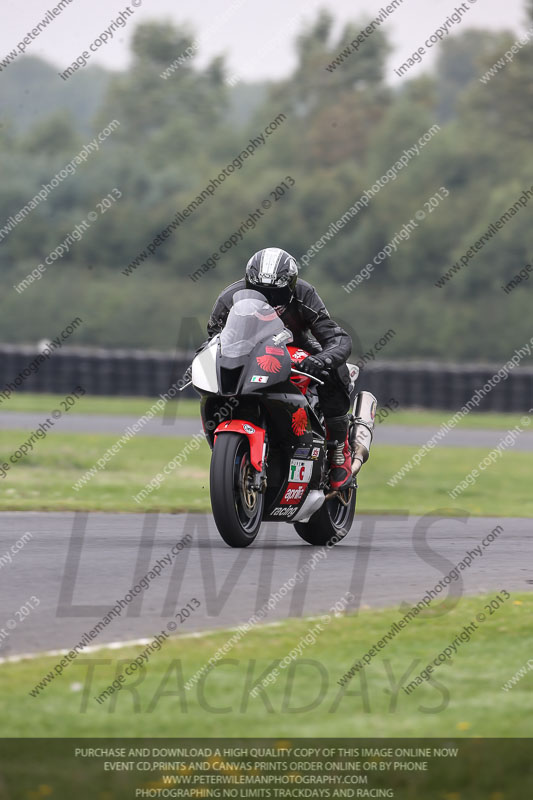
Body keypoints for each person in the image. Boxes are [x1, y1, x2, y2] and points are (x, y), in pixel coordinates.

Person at [191, 247, 353, 490]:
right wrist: (203, 359)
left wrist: (322, 359)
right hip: (250, 350)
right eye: (260, 292)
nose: (268, 299)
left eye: (276, 293)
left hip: (296, 347)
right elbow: (215, 340)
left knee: (333, 370)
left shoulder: (304, 294)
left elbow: (336, 337)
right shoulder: (229, 298)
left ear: (290, 286)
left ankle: (339, 449)